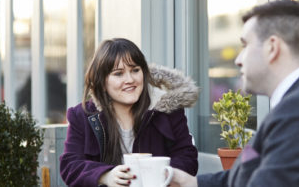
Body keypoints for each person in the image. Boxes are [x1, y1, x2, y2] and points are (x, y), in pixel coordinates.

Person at [170, 0, 299, 187]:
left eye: (245, 45)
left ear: (272, 47)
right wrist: (191, 183)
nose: (239, 59)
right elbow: (246, 176)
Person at [59, 38, 199, 186]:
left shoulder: (167, 110)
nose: (130, 79)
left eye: (135, 70)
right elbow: (70, 166)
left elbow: (187, 158)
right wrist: (106, 175)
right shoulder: (82, 116)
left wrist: (164, 175)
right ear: (102, 82)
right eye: (118, 73)